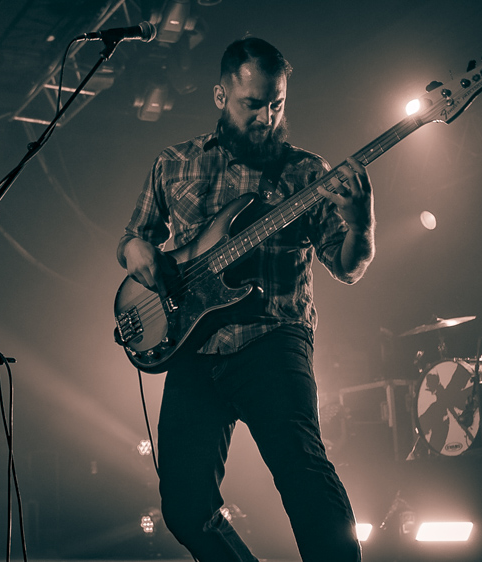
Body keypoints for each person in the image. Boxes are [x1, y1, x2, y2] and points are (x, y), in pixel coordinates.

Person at [117, 37, 374, 561]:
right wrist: (135, 250)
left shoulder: (307, 174)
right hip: (193, 346)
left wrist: (362, 224)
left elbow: (347, 268)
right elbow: (134, 237)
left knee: (304, 476)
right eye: (252, 104)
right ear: (220, 95)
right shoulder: (175, 163)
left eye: (276, 103)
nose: (266, 117)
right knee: (185, 507)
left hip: (273, 338)